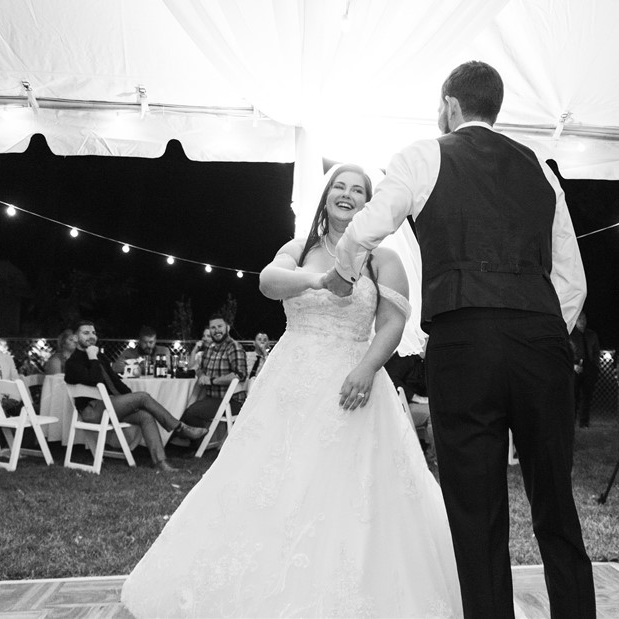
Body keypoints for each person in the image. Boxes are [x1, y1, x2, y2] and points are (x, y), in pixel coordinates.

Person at [121, 164, 463, 617]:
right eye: (339, 187)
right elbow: (267, 281)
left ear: (368, 204)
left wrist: (365, 369)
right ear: (325, 197)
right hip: (289, 385)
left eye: (357, 190)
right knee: (269, 480)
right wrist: (321, 278)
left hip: (352, 383)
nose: (346, 194)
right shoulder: (298, 249)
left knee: (346, 488)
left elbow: (393, 324)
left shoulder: (384, 259)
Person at [324, 61, 595, 618]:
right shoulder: (541, 169)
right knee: (555, 503)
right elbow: (573, 280)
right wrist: (542, 328)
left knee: (476, 510)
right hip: (541, 343)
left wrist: (344, 270)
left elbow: (369, 225)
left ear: (449, 104)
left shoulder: (424, 155)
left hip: (465, 344)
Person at [64, 321, 207, 472]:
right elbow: (95, 380)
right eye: (86, 333)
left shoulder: (100, 357)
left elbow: (115, 381)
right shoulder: (73, 362)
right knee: (143, 397)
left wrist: (131, 400)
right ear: (75, 337)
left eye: (93, 333)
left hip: (109, 406)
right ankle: (180, 428)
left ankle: (161, 462)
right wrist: (92, 357)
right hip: (92, 410)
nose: (91, 336)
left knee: (145, 415)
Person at [178, 315, 248, 442]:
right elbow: (199, 369)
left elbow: (240, 374)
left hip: (231, 401)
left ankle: (197, 444)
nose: (216, 330)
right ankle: (180, 440)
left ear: (227, 327)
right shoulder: (210, 349)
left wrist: (212, 380)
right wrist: (202, 376)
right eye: (213, 328)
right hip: (212, 398)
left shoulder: (234, 347)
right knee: (183, 407)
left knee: (191, 412)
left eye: (220, 326)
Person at [570, 311, 600, 428]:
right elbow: (566, 352)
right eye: (579, 319)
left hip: (589, 366)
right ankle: (571, 421)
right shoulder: (570, 335)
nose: (582, 321)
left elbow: (596, 351)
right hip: (576, 367)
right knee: (574, 396)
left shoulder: (591, 334)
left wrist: (596, 366)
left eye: (584, 318)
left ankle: (584, 422)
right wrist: (572, 365)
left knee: (587, 396)